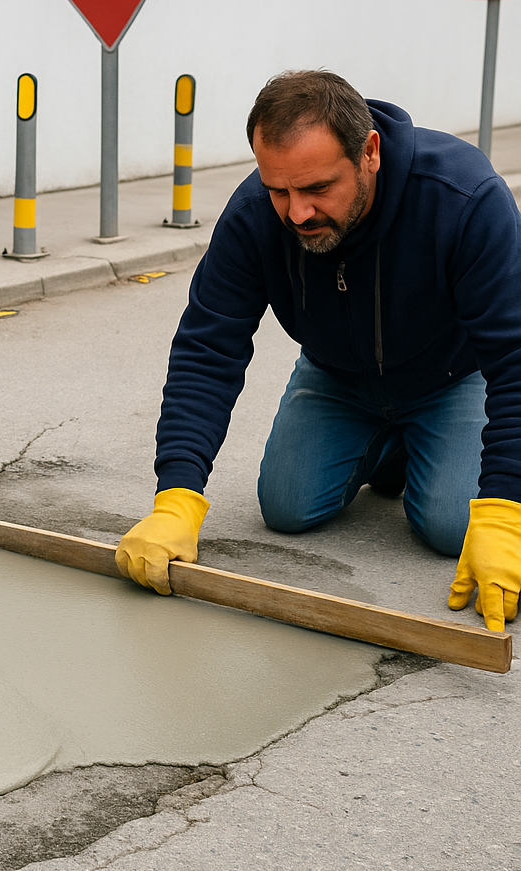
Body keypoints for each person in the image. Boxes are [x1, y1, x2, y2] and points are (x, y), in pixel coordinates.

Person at [116, 70, 521, 633]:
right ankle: (392, 447)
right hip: (338, 377)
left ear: (370, 153)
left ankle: (423, 442)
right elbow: (209, 347)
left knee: (454, 526)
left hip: (449, 375)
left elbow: (514, 362)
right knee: (287, 508)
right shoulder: (255, 213)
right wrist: (175, 496)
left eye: (316, 189)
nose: (296, 212)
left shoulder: (463, 198)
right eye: (279, 189)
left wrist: (504, 511)